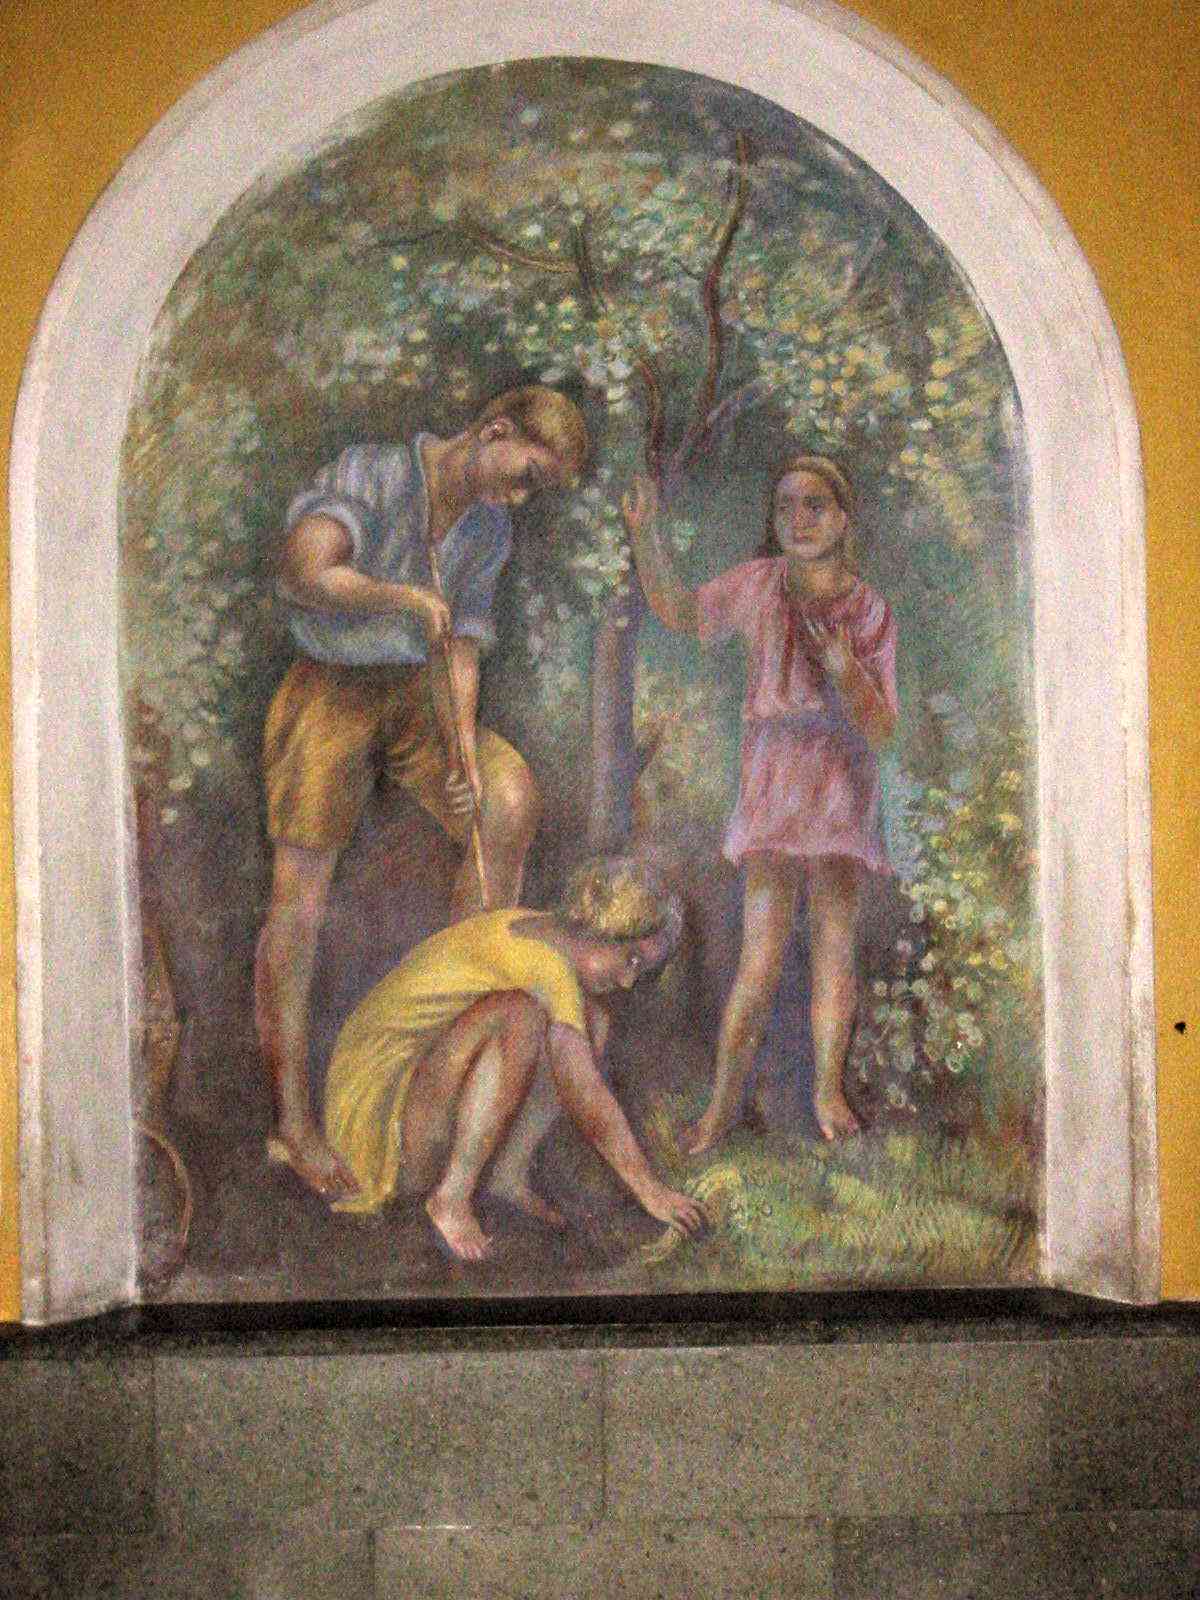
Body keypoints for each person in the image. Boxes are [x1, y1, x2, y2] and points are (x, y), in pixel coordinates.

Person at [256, 387, 590, 1200]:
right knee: (299, 898)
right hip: (330, 684)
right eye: (524, 476)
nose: (519, 498)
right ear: (494, 429)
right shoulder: (372, 472)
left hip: (417, 694)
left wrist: (463, 753)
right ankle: (295, 1122)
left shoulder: (487, 529)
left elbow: (460, 649)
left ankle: (449, 1066)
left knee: (507, 798)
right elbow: (304, 573)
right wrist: (400, 597)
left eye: (535, 490)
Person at [622, 454, 898, 1149]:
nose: (798, 520)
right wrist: (645, 536)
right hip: (775, 780)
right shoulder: (759, 585)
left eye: (815, 506)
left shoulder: (869, 610)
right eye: (785, 508)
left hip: (837, 784)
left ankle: (828, 1092)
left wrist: (847, 673)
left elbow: (883, 729)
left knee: (833, 947)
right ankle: (720, 1107)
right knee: (760, 957)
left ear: (844, 518)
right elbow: (683, 613)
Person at [323, 857, 704, 1261]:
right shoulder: (547, 968)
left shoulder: (541, 932)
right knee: (520, 1015)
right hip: (375, 1123)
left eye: (640, 970)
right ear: (606, 926)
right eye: (630, 959)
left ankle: (507, 1172)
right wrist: (649, 1189)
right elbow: (583, 1089)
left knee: (590, 1018)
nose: (628, 981)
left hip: (413, 1104)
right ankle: (450, 1197)